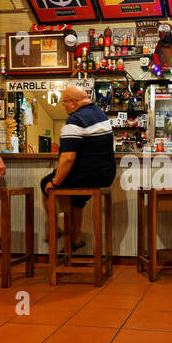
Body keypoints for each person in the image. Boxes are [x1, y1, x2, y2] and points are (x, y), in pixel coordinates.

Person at [41, 85, 116, 249]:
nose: (63, 105)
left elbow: (68, 158)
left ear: (73, 103)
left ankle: (54, 229)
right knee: (77, 196)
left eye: (64, 102)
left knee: (45, 183)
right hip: (105, 176)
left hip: (87, 175)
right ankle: (76, 238)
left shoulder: (75, 119)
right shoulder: (100, 114)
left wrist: (54, 183)